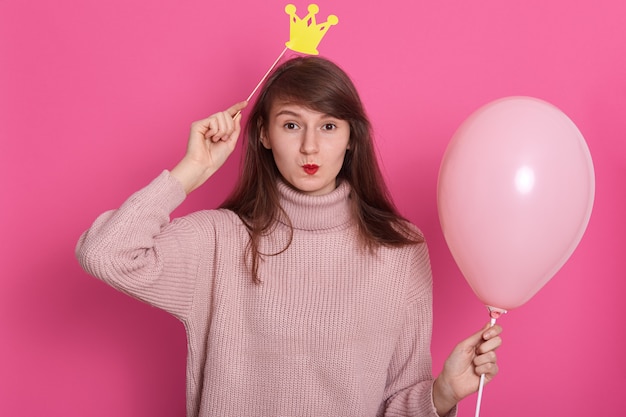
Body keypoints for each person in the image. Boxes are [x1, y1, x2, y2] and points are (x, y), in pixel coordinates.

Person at [76, 56, 502, 417]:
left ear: (352, 138)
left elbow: (395, 401)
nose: (310, 148)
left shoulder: (399, 249)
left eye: (329, 126)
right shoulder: (220, 241)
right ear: (263, 134)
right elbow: (107, 254)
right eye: (292, 125)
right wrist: (193, 169)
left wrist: (442, 393)